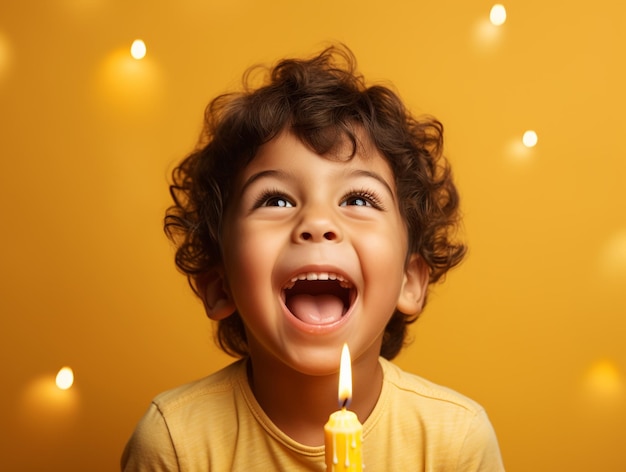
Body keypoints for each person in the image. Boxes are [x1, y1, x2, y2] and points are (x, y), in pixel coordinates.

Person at [121, 44, 505, 471]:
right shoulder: (175, 443)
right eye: (277, 200)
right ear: (218, 283)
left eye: (358, 198)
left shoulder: (454, 442)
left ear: (409, 281)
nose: (318, 222)